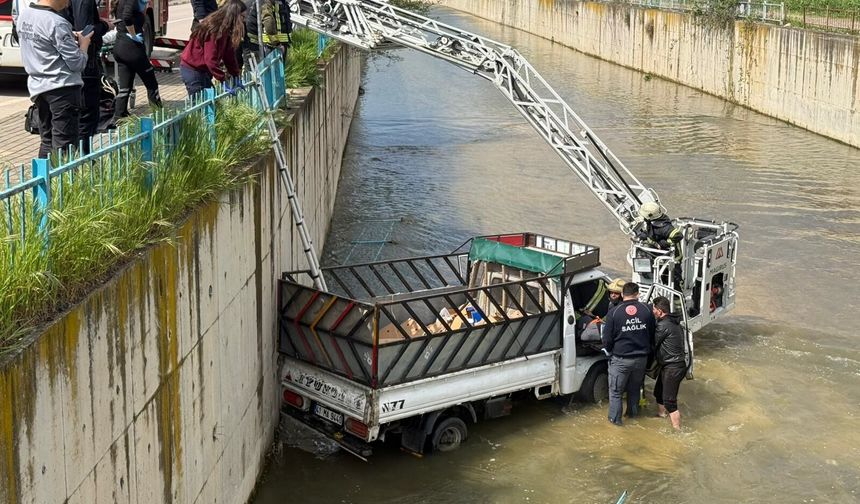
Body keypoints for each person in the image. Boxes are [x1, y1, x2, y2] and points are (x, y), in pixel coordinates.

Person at [17, 0, 91, 158]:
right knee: (65, 145)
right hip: (62, 89)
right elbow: (77, 63)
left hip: (39, 88)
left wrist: (68, 36)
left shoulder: (25, 16)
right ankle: (63, 181)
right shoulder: (57, 22)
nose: (68, 3)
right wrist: (84, 44)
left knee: (47, 141)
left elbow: (41, 39)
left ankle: (43, 181)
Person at [601, 281, 655, 426]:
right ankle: (633, 418)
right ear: (637, 294)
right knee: (634, 390)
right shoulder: (647, 310)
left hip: (621, 360)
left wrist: (609, 352)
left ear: (622, 294)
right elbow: (652, 334)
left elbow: (606, 339)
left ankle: (615, 423)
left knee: (616, 393)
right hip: (641, 359)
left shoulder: (614, 312)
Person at [64, 0, 107, 152]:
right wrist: (104, 26)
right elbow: (85, 31)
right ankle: (84, 158)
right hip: (85, 64)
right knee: (87, 116)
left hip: (73, 63)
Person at [180, 0, 246, 97]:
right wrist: (223, 79)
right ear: (234, 16)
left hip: (203, 70)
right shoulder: (214, 30)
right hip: (192, 70)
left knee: (211, 101)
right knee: (200, 103)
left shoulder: (226, 31)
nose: (244, 21)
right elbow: (210, 59)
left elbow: (229, 57)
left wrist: (236, 75)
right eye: (242, 17)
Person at [113, 0, 162, 119]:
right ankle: (159, 115)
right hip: (132, 49)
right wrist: (133, 35)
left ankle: (119, 116)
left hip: (120, 47)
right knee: (151, 83)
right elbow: (127, 16)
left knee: (125, 87)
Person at [651, 296, 688, 430]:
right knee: (659, 392)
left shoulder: (663, 325)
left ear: (660, 311)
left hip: (673, 367)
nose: (653, 311)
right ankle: (661, 415)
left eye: (654, 309)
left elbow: (653, 344)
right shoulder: (673, 321)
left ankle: (677, 430)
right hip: (672, 365)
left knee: (670, 401)